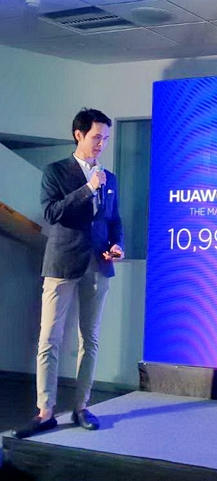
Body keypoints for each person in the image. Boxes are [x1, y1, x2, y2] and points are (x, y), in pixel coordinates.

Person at [12, 108, 124, 439]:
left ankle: (81, 407)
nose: (102, 144)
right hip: (62, 263)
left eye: (106, 138)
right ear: (79, 135)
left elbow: (114, 220)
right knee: (50, 338)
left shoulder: (110, 177)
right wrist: (88, 188)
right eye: (96, 137)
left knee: (90, 338)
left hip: (98, 264)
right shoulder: (56, 171)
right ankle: (45, 411)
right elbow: (51, 213)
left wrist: (117, 244)